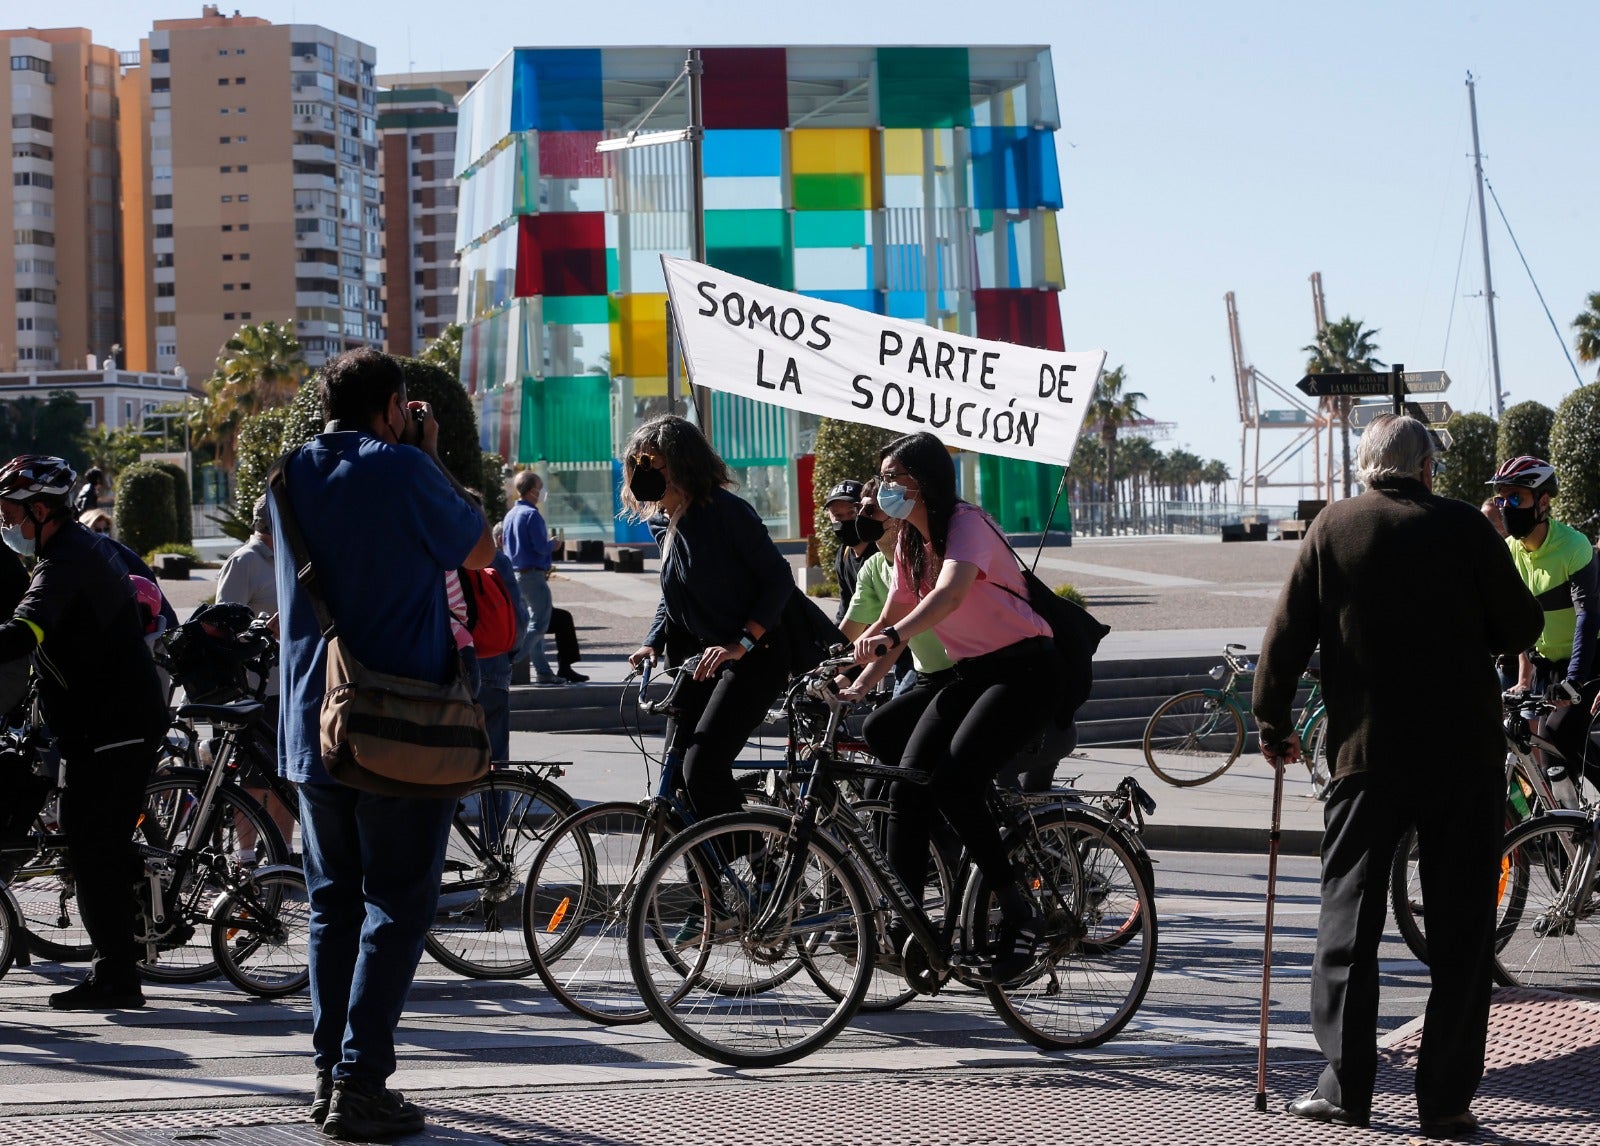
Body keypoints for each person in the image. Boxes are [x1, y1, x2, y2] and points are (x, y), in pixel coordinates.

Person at [1252, 415, 1543, 1140]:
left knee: (1349, 923)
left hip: (1365, 754)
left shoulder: (1332, 528)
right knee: (1462, 931)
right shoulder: (1465, 530)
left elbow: (1285, 638)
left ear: (1365, 465)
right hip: (1462, 758)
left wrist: (1272, 723)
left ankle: (1345, 1089)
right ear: (1426, 470)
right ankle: (1444, 1100)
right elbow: (1521, 629)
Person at [271, 349, 494, 1140]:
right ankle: (362, 1083)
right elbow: (479, 548)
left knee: (332, 905)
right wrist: (430, 456)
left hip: (310, 724)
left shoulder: (289, 473)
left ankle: (331, 1074)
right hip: (395, 725)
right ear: (395, 405)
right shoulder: (402, 469)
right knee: (398, 904)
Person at [840, 431, 1059, 981]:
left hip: (1026, 669)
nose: (884, 488)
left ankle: (1018, 910)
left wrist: (890, 638)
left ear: (925, 482)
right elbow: (894, 608)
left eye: (894, 478)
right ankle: (909, 924)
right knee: (906, 781)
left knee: (955, 783)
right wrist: (855, 678)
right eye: (883, 478)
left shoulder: (967, 524)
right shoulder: (910, 542)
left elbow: (950, 595)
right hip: (972, 672)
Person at [0, 454, 168, 1009]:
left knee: (92, 844)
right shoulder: (67, 550)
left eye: (11, 512)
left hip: (112, 725)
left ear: (41, 510)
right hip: (104, 724)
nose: (7, 524)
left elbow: (26, 628)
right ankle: (129, 937)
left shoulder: (66, 559)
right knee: (94, 840)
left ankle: (117, 976)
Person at [623, 414, 794, 826]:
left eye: (650, 463)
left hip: (755, 658)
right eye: (636, 464)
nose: (639, 473)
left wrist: (741, 643)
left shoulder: (726, 512)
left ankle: (760, 869)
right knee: (674, 776)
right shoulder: (663, 522)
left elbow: (779, 580)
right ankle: (710, 886)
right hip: (700, 662)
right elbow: (675, 593)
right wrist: (653, 641)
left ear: (681, 463)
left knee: (700, 769)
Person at [1488, 456, 1600, 786]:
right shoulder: (1509, 551)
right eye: (1501, 498)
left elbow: (1587, 616)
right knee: (1548, 765)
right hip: (1546, 667)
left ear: (1543, 501)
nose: (1505, 506)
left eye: (1515, 498)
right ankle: (1562, 834)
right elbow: (1494, 616)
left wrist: (1576, 678)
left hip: (1587, 665)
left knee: (1556, 732)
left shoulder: (1574, 546)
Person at [213, 494, 294, 859]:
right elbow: (219, 626)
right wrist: (260, 629)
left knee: (284, 776)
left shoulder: (286, 560)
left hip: (286, 684)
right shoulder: (245, 561)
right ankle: (246, 858)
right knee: (250, 779)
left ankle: (282, 853)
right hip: (254, 687)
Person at [502, 470, 564, 686]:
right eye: (539, 487)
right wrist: (553, 544)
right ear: (532, 490)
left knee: (531, 623)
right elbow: (539, 547)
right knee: (539, 623)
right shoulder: (531, 515)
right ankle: (513, 658)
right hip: (533, 575)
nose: (541, 492)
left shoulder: (510, 514)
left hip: (516, 575)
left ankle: (544, 672)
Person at [823, 479, 880, 626]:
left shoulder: (880, 553)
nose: (845, 520)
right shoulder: (844, 554)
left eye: (851, 513)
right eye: (838, 516)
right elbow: (845, 609)